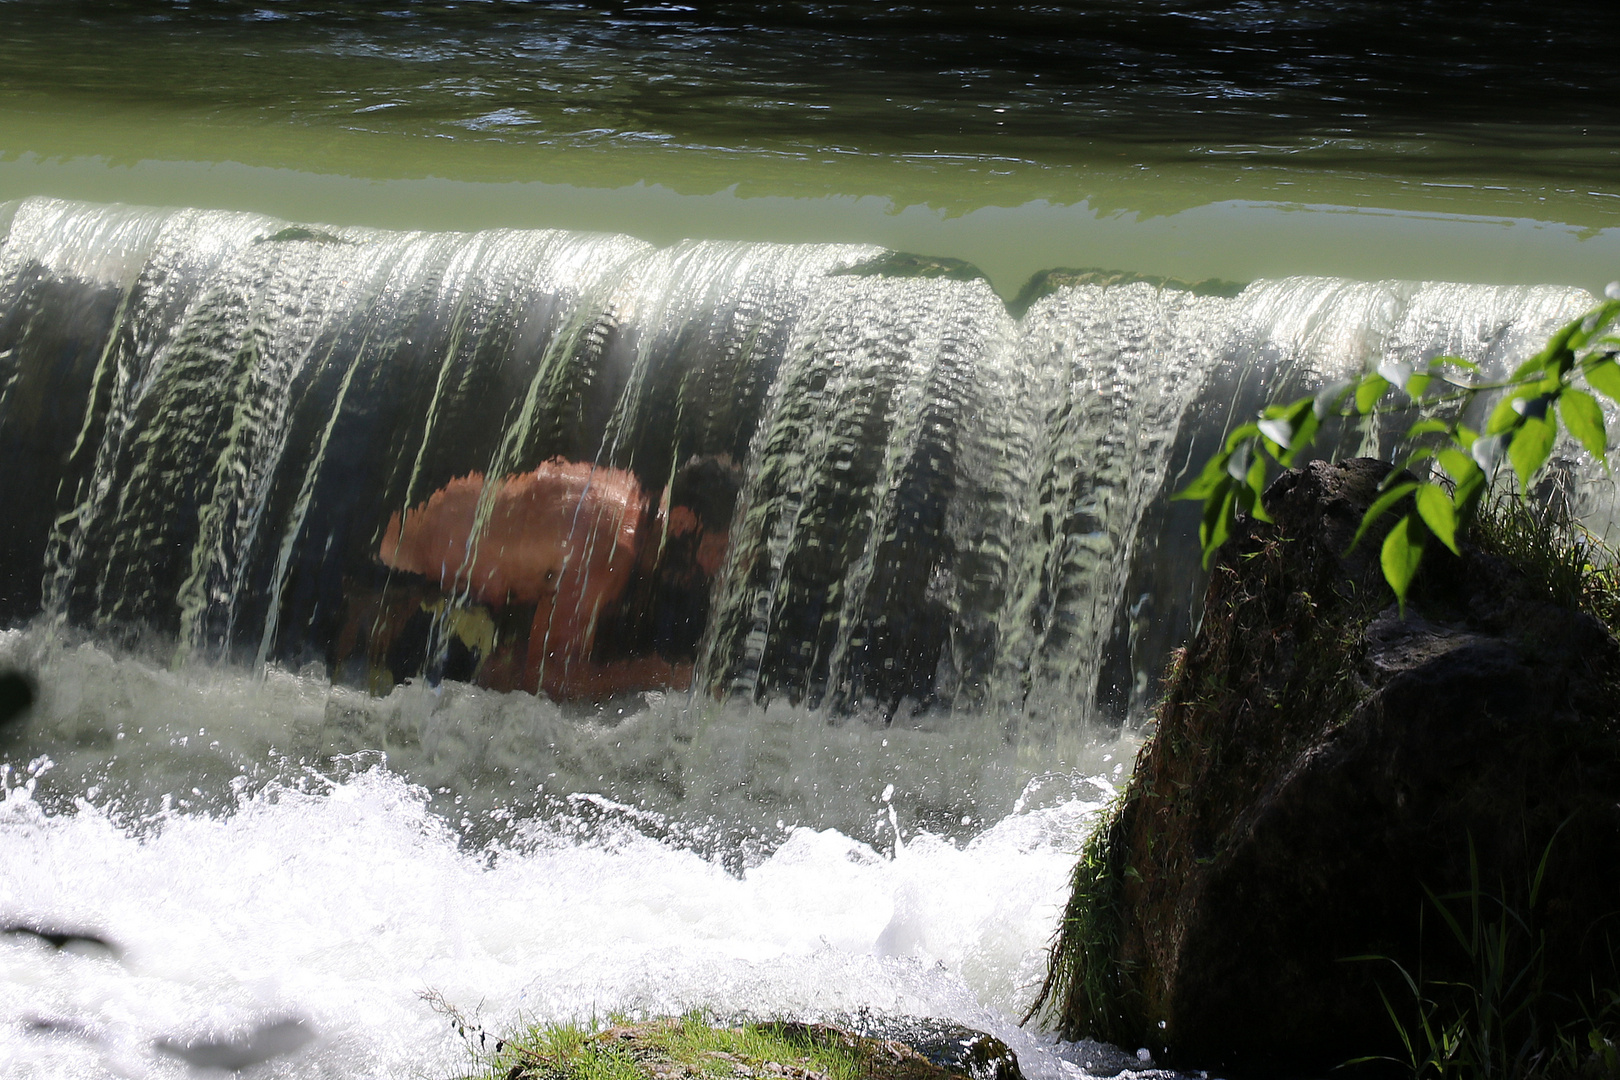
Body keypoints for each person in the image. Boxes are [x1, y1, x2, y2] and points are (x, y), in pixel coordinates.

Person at [376, 457, 735, 700]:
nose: (716, 570)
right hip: (405, 600)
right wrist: (657, 674)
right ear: (685, 522)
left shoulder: (618, 492)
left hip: (403, 558)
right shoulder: (614, 548)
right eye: (718, 551)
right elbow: (544, 679)